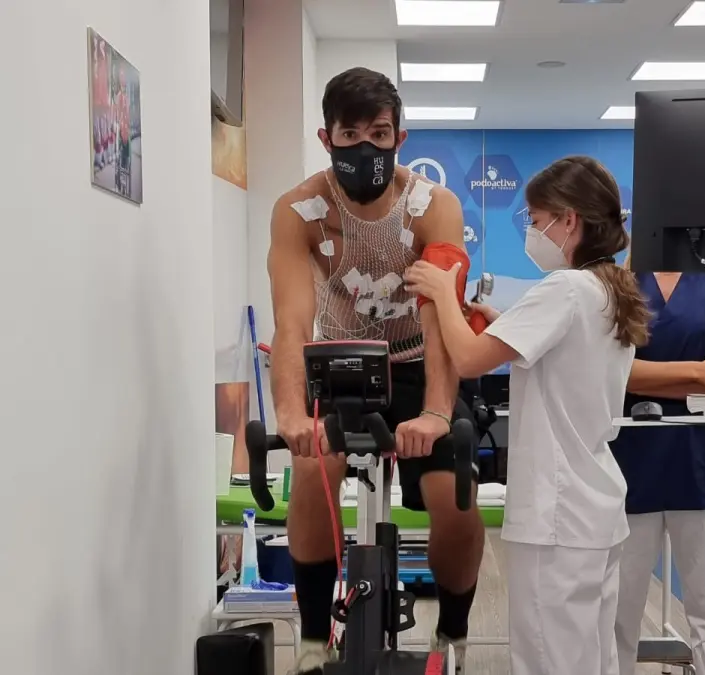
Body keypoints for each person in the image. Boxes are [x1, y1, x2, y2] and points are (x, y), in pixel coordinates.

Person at [267, 67, 483, 674]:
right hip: (340, 365)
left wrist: (437, 411)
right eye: (350, 134)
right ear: (327, 138)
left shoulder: (433, 207)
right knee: (311, 471)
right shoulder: (299, 211)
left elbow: (440, 319)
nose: (366, 147)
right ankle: (315, 642)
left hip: (416, 361)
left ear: (399, 139)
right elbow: (291, 325)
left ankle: (454, 632)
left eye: (380, 134)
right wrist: (290, 415)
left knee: (454, 500)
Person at [403, 155, 651, 675]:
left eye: (537, 221)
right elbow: (559, 351)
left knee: (548, 661)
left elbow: (468, 359)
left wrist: (442, 293)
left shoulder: (565, 289)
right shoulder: (607, 288)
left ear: (569, 220)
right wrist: (500, 322)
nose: (532, 233)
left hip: (557, 518)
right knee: (593, 659)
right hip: (595, 509)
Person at [608, 266, 705, 675]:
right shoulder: (619, 281)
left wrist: (641, 379)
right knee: (614, 619)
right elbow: (607, 373)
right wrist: (701, 373)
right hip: (628, 468)